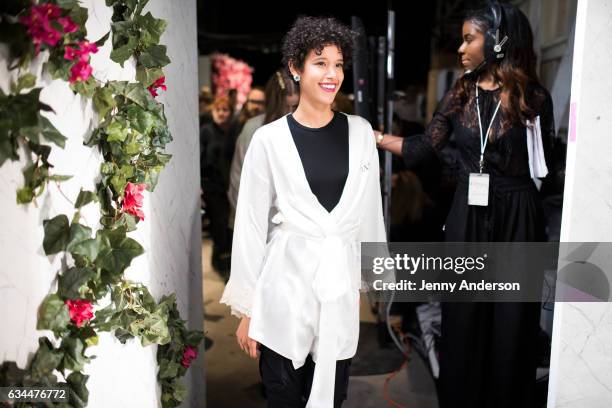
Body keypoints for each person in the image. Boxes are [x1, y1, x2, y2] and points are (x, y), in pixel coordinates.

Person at [376, 4, 556, 407]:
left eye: (469, 38)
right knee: (463, 320)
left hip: (517, 218)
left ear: (497, 40)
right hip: (468, 215)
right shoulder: (460, 92)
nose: (460, 48)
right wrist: (371, 135)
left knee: (512, 322)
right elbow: (423, 148)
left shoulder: (533, 97)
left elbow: (551, 168)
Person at [220, 16, 387, 408]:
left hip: (337, 296)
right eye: (320, 63)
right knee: (283, 398)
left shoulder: (361, 133)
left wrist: (374, 275)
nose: (332, 74)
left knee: (334, 396)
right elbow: (249, 225)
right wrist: (247, 309)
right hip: (283, 294)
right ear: (295, 68)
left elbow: (369, 211)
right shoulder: (268, 140)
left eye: (339, 64)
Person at [228, 69, 299, 228]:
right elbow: (238, 181)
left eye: (295, 107)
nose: (290, 113)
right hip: (260, 224)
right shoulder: (255, 129)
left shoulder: (308, 128)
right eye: (286, 107)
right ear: (274, 104)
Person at [200, 96, 239, 275]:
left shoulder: (233, 131)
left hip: (228, 185)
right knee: (219, 223)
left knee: (228, 224)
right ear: (213, 111)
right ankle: (219, 260)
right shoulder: (206, 131)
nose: (222, 114)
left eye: (226, 110)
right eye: (219, 110)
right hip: (212, 187)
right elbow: (200, 159)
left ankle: (226, 259)